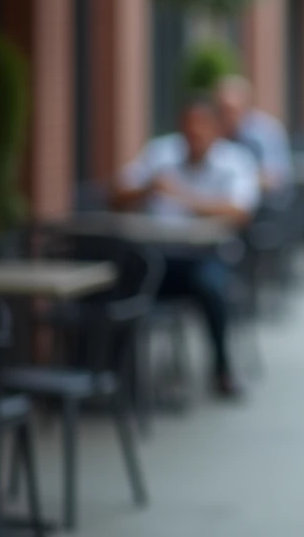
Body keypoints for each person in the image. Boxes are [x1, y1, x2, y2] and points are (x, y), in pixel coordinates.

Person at [112, 95, 261, 399]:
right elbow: (116, 195)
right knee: (119, 282)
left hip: (208, 256)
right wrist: (148, 187)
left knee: (210, 286)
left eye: (200, 131)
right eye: (187, 131)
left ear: (215, 130)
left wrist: (183, 196)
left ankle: (221, 368)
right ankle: (115, 374)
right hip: (158, 256)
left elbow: (240, 212)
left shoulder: (234, 161)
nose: (193, 138)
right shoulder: (160, 153)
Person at [213, 75, 294, 202]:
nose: (225, 116)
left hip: (266, 205)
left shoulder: (265, 132)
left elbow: (273, 179)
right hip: (223, 202)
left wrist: (237, 182)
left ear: (246, 106)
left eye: (230, 110)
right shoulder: (215, 132)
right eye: (220, 110)